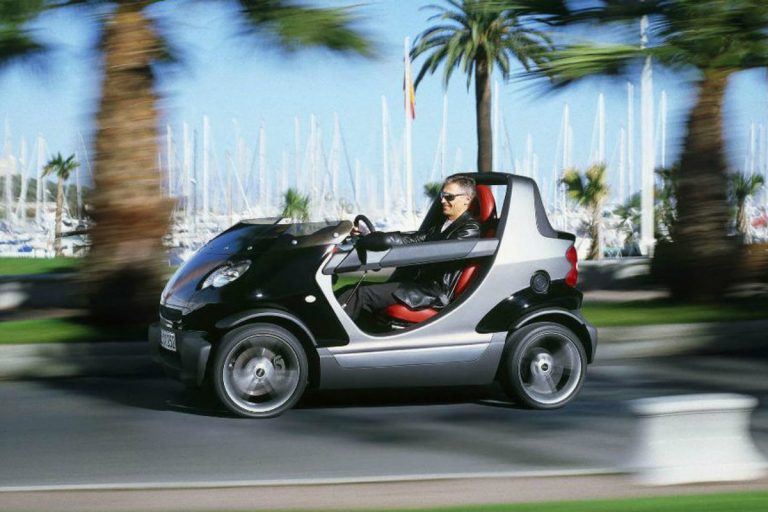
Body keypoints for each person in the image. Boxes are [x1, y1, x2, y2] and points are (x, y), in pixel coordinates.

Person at [337, 176, 481, 321]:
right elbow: (412, 239)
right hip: (416, 283)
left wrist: (388, 245)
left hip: (432, 291)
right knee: (348, 290)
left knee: (360, 294)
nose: (443, 201)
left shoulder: (470, 228)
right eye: (442, 196)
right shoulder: (441, 224)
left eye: (449, 197)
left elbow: (439, 253)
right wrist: (375, 237)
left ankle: (333, 333)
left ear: (467, 199)